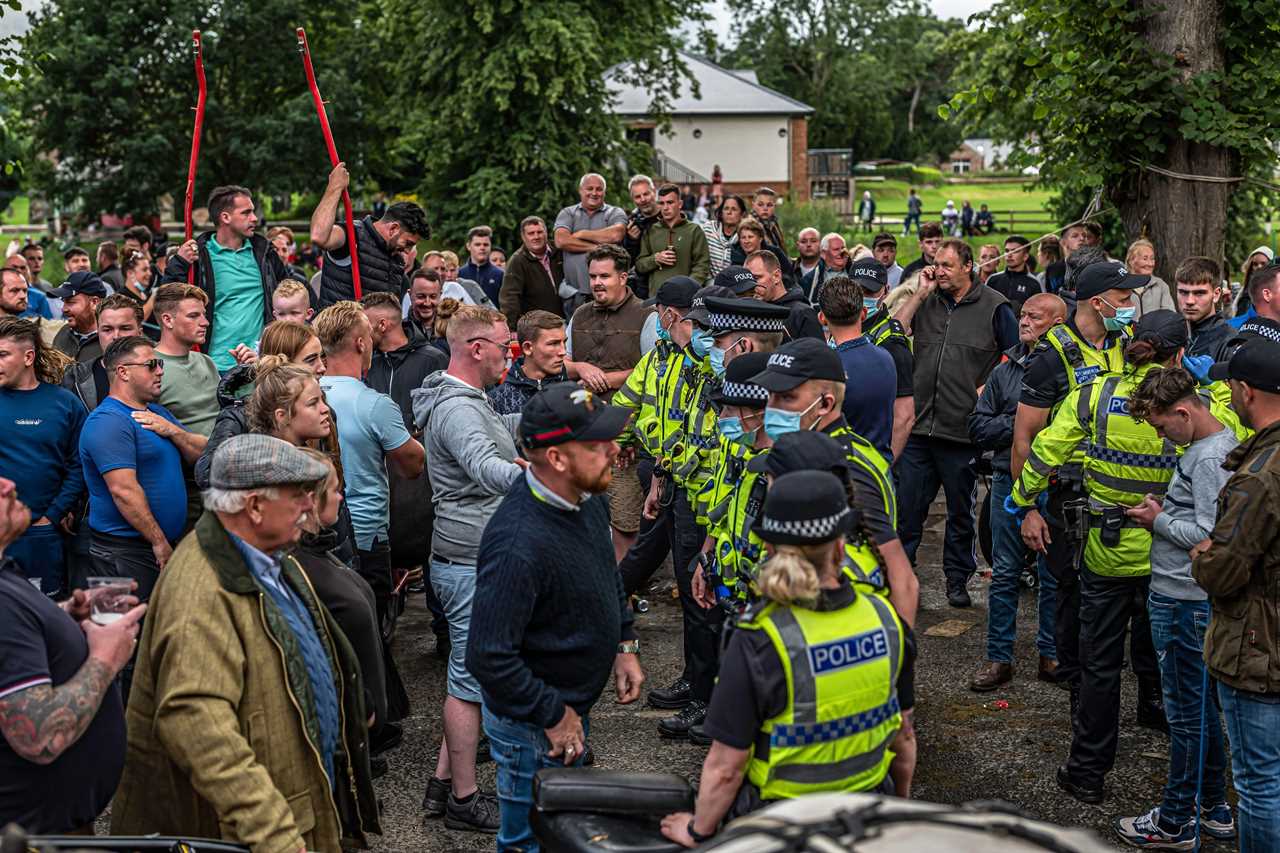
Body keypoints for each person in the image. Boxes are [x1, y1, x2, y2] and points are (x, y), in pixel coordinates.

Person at [110, 434, 381, 851]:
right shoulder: (201, 590)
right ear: (254, 506)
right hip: (266, 832)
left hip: (302, 805)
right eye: (298, 496)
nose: (310, 506)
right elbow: (196, 723)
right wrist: (272, 833)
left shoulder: (269, 556)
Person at [659, 471, 905, 847]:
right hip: (867, 815)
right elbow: (903, 737)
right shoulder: (885, 619)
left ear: (769, 548)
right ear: (840, 547)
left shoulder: (761, 637)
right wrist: (898, 814)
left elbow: (726, 767)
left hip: (782, 823)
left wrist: (697, 831)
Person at [1012, 310, 1190, 804]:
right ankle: (1188, 774)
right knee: (1174, 664)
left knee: (1098, 667)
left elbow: (1044, 451)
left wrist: (1022, 500)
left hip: (1105, 554)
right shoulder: (1193, 401)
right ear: (1178, 353)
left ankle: (1087, 772)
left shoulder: (1095, 394)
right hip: (1171, 559)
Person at [469, 382, 644, 850]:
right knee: (531, 841)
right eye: (595, 444)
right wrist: (554, 715)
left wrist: (624, 643)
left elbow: (604, 571)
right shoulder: (517, 546)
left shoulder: (586, 496)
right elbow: (488, 657)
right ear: (557, 459)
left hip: (566, 709)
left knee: (565, 832)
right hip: (533, 726)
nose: (612, 450)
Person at [1112, 366, 1238, 849]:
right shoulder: (1210, 448)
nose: (1162, 437)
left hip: (1184, 600)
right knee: (1201, 710)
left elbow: (1210, 537)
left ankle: (1175, 821)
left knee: (1184, 716)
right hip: (1187, 599)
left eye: (1163, 426)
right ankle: (1213, 806)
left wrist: (1158, 519)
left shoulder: (1207, 458)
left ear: (1184, 412)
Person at [411, 304, 524, 833]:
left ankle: (440, 786)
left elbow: (494, 433)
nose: (511, 356)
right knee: (467, 683)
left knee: (468, 677)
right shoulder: (458, 408)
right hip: (467, 562)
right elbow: (484, 463)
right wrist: (543, 481)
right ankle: (463, 799)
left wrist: (545, 420)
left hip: (470, 557)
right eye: (506, 347)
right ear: (477, 349)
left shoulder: (467, 401)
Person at [1012, 260, 1140, 695]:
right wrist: (1027, 509)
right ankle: (1073, 682)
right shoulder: (1051, 357)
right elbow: (1024, 439)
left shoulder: (1128, 342)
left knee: (1123, 594)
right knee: (1069, 589)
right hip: (1068, 494)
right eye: (1124, 299)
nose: (1130, 306)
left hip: (1120, 491)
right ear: (1098, 302)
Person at [0, 474, 144, 834]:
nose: (7, 484)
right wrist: (106, 657)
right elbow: (40, 737)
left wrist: (64, 617)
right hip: (33, 837)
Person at [1188, 337, 1280, 851]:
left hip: (1257, 649)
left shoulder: (1260, 476)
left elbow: (1222, 571)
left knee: (1259, 785)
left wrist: (1204, 552)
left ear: (1246, 392)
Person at [894, 239, 1018, 607]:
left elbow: (1015, 355)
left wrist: (991, 384)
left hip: (962, 430)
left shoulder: (996, 306)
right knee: (908, 509)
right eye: (936, 263)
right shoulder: (927, 301)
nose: (940, 270)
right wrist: (919, 293)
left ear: (969, 266)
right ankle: (900, 577)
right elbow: (896, 330)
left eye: (947, 265)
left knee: (960, 514)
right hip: (919, 426)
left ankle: (956, 580)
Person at [966, 293, 1067, 691]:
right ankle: (998, 658)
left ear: (1058, 324)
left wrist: (1025, 427)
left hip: (1054, 482)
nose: (1024, 322)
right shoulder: (1005, 369)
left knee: (1053, 573)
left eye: (1034, 317)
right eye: (1023, 315)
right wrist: (1026, 423)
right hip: (1008, 478)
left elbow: (1071, 428)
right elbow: (978, 426)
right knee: (1005, 571)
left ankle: (1051, 653)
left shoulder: (1067, 369)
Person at [314, 302, 425, 624]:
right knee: (373, 633)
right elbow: (413, 465)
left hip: (317, 532)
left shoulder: (304, 394)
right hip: (366, 536)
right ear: (361, 343)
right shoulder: (374, 403)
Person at [79, 336, 206, 600]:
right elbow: (123, 491)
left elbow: (204, 454)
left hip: (155, 547)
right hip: (123, 552)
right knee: (122, 632)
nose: (160, 371)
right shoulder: (108, 421)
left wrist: (174, 432)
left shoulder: (157, 414)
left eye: (159, 364)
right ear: (123, 372)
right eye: (151, 365)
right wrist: (158, 541)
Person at [567, 244, 656, 561]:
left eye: (604, 276)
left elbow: (654, 371)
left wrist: (607, 378)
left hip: (624, 437)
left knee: (624, 520)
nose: (596, 283)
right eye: (592, 276)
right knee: (582, 517)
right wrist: (580, 368)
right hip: (582, 433)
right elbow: (560, 360)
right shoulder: (579, 314)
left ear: (623, 276)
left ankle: (622, 593)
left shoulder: (647, 316)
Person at [0, 317, 84, 596]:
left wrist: (54, 513)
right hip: (1, 532)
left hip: (43, 533)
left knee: (47, 616)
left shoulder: (64, 402)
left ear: (28, 357)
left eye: (2, 355)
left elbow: (78, 463)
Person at [165, 185, 289, 373]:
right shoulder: (199, 255)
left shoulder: (264, 252)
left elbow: (290, 288)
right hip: (214, 363)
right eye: (246, 213)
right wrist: (180, 263)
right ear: (225, 217)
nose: (254, 218)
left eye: (253, 212)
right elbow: (168, 298)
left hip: (259, 361)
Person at [311, 163, 430, 308]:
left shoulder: (396, 261)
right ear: (393, 228)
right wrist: (334, 187)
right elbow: (318, 236)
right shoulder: (352, 235)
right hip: (336, 329)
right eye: (408, 243)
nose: (408, 251)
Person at [818, 271, 896, 460]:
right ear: (863, 314)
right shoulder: (886, 358)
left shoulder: (829, 368)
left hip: (845, 468)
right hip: (879, 468)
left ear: (822, 317)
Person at [860, 261, 916, 461]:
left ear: (885, 291)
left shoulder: (893, 342)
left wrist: (884, 465)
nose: (863, 297)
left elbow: (904, 417)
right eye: (858, 289)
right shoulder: (842, 325)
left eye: (870, 291)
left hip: (876, 451)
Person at [151, 283, 220, 438]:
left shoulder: (207, 362)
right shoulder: (149, 367)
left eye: (204, 314)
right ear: (168, 320)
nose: (205, 322)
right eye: (193, 316)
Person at [554, 172, 628, 315]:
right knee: (575, 336)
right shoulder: (567, 213)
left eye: (599, 189)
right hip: (575, 295)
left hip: (609, 294)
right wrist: (596, 248)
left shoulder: (614, 212)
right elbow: (561, 240)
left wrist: (582, 234)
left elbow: (616, 234)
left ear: (604, 192)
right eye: (589, 188)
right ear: (581, 190)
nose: (594, 193)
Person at [61, 294, 143, 413]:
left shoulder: (159, 374)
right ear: (98, 333)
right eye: (107, 329)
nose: (116, 336)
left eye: (125, 328)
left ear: (140, 333)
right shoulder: (75, 378)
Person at [488, 309, 568, 416]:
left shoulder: (573, 393)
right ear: (528, 348)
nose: (563, 351)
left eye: (564, 342)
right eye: (553, 344)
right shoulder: (496, 402)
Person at [636, 183, 711, 292]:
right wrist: (655, 259)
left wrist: (687, 288)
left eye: (670, 202)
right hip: (657, 299)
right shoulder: (651, 230)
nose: (665, 207)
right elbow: (640, 265)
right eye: (662, 203)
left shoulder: (694, 230)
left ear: (680, 204)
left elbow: (702, 266)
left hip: (685, 298)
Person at [499, 215, 564, 327]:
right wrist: (512, 327)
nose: (536, 236)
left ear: (546, 233)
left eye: (539, 232)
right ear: (523, 237)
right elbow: (509, 298)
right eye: (531, 233)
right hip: (538, 325)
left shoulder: (559, 251)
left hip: (566, 317)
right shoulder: (517, 261)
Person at [745, 249, 823, 341]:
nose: (751, 285)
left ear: (776, 276)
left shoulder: (803, 314)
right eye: (747, 281)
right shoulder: (750, 312)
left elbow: (817, 353)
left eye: (757, 278)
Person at [1175, 257, 1233, 366]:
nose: (1189, 301)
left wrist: (1211, 383)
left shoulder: (1230, 342)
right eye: (1183, 292)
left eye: (1199, 293)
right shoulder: (1170, 333)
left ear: (1216, 294)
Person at [46, 271, 106, 363]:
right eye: (64, 302)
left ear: (94, 302)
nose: (64, 309)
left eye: (71, 302)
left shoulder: (111, 339)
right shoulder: (63, 333)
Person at [622, 174, 661, 298]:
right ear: (632, 199)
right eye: (638, 197)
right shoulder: (632, 223)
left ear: (654, 192)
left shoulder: (669, 214)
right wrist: (632, 240)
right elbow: (628, 260)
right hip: (643, 285)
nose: (643, 199)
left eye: (646, 194)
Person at [985, 235, 1043, 314]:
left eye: (1015, 251)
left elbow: (1038, 312)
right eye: (1007, 250)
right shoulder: (993, 279)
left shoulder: (1034, 283)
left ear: (1025, 256)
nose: (1009, 255)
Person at [1124, 238, 1176, 318]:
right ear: (1131, 261)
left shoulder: (1161, 285)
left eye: (1152, 259)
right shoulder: (1121, 286)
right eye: (1145, 259)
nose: (1150, 264)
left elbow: (1170, 316)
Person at [458, 225, 505, 306]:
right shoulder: (459, 274)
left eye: (486, 245)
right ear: (468, 246)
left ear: (490, 246)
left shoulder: (500, 275)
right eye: (478, 244)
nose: (482, 248)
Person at [702, 194, 746, 278]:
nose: (729, 212)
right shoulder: (708, 228)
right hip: (709, 281)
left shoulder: (745, 235)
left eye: (734, 209)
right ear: (721, 212)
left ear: (742, 214)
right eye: (726, 209)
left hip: (736, 282)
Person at [802, 232, 850, 307]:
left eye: (843, 248)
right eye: (836, 249)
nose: (841, 252)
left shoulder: (857, 272)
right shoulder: (809, 280)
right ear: (823, 254)